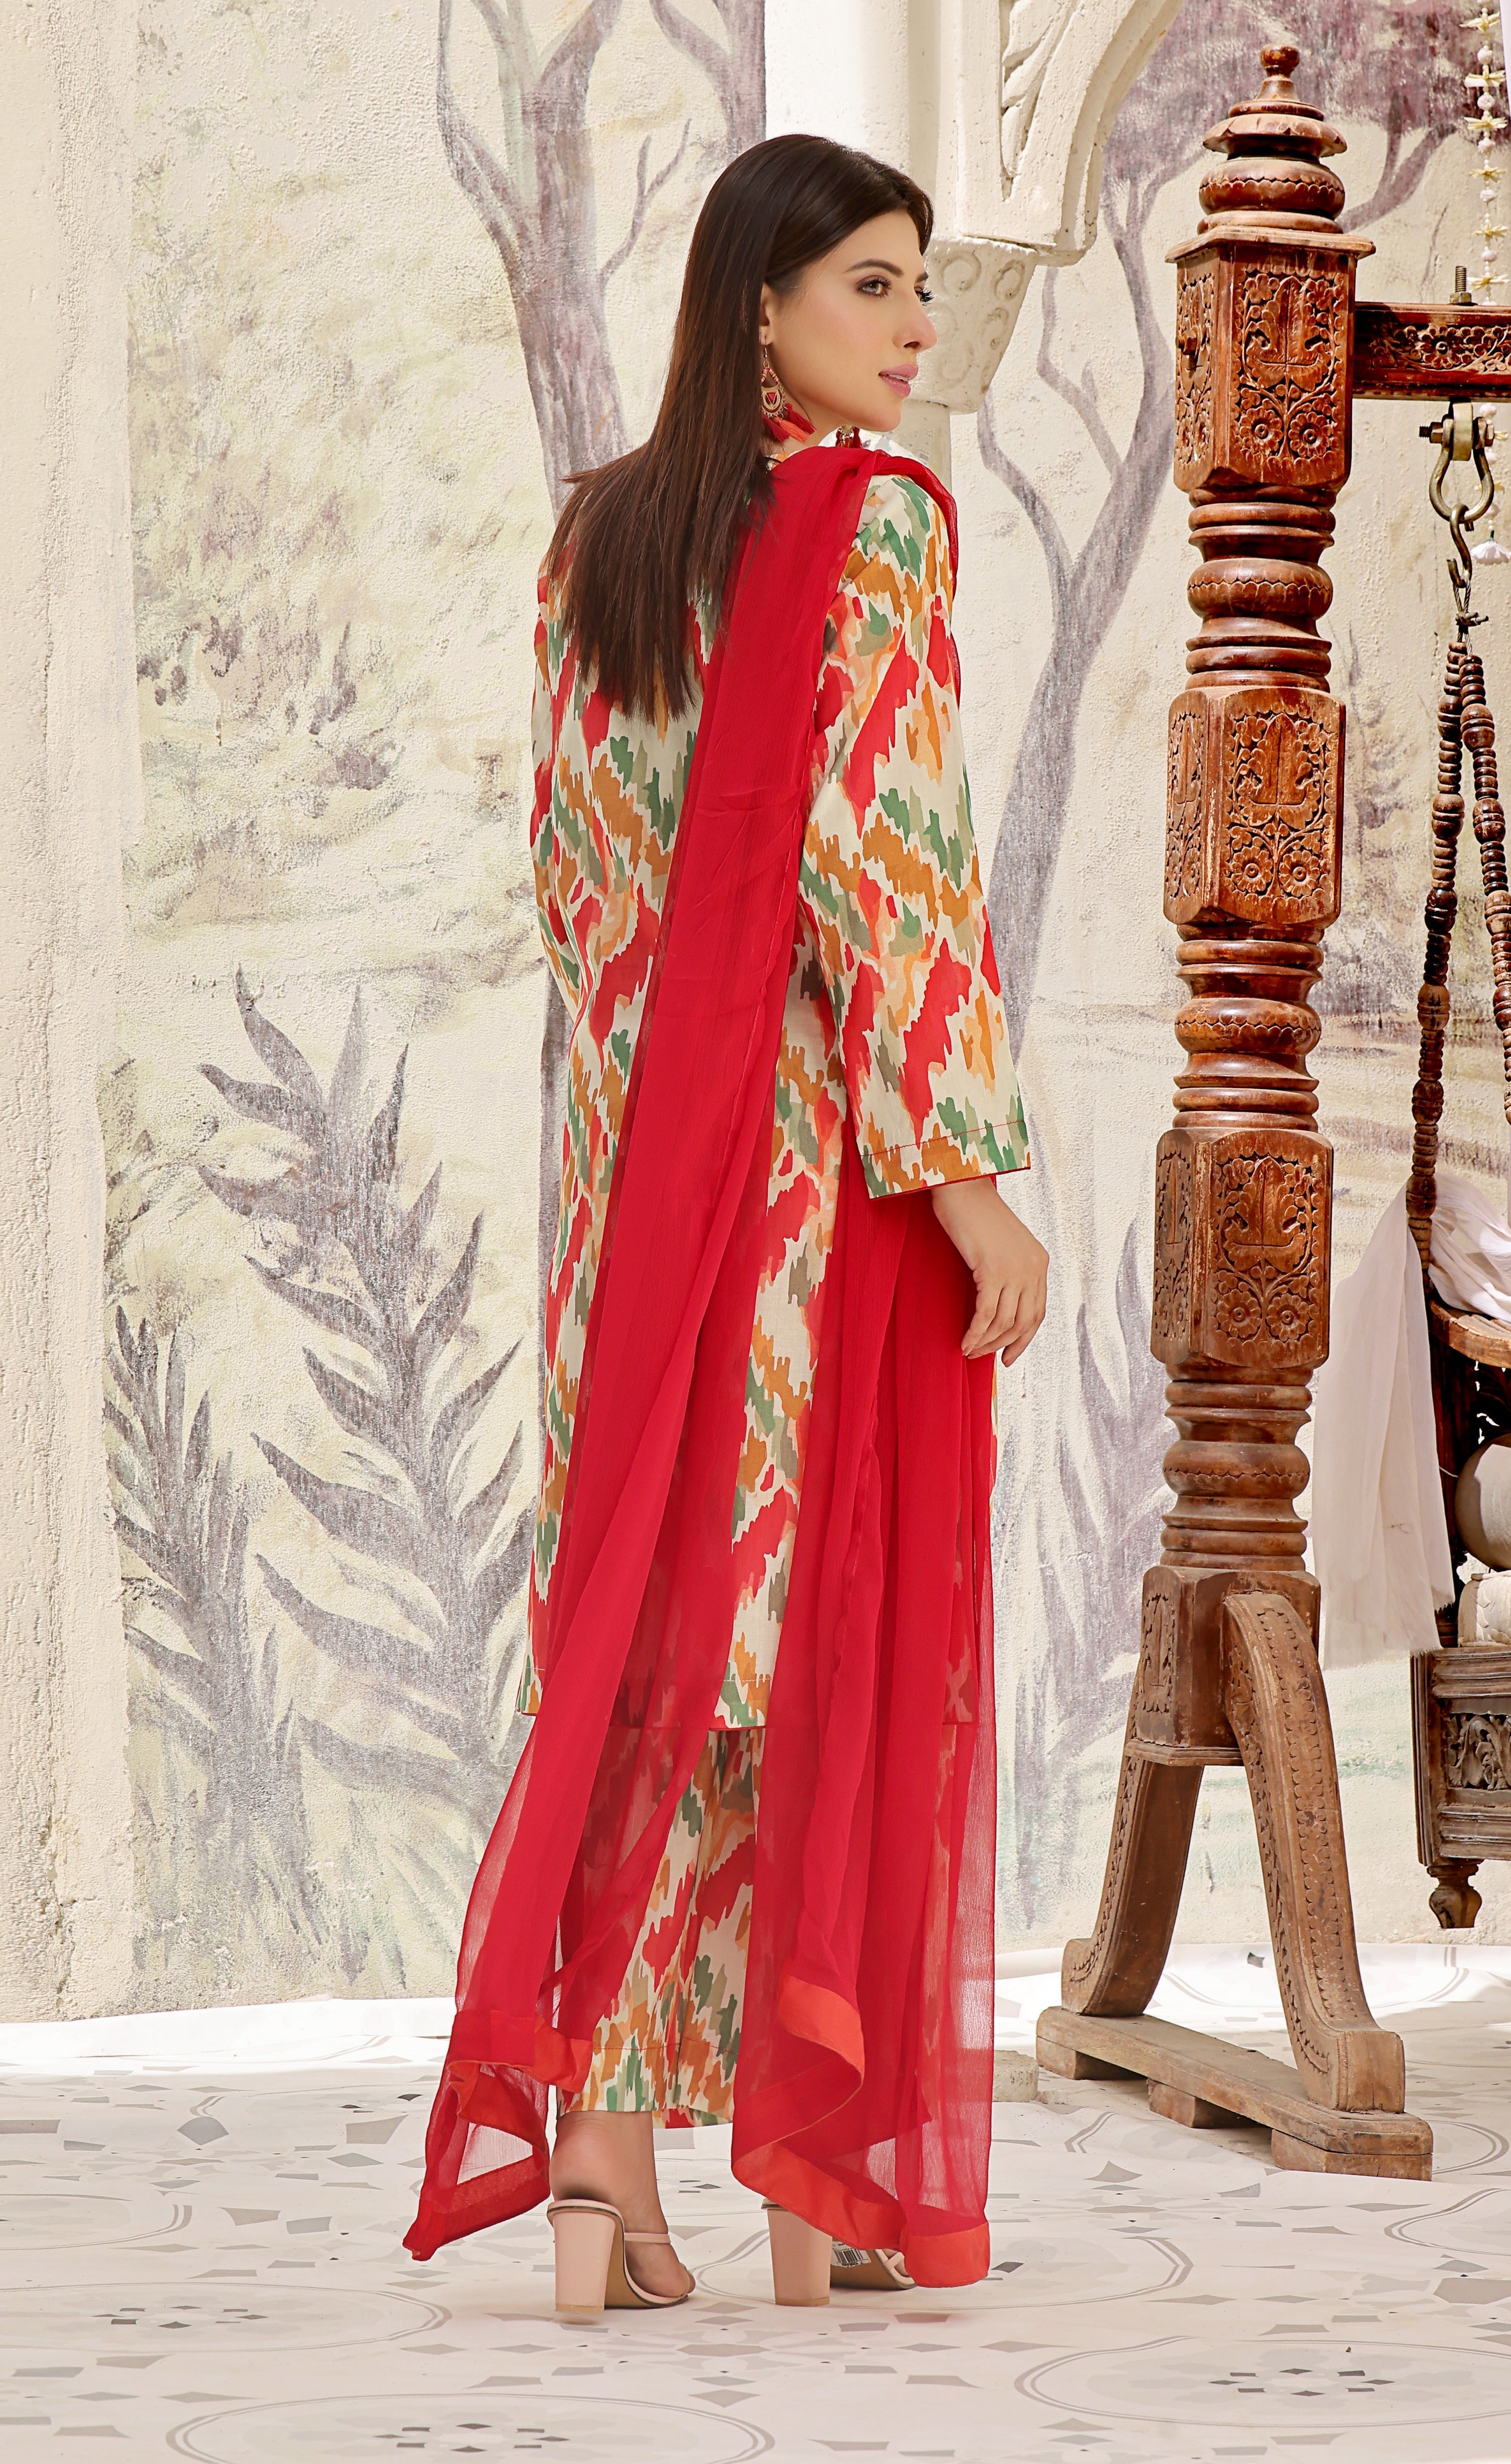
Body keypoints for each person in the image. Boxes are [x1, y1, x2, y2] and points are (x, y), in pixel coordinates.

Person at [405, 133, 1046, 2317]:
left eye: (918, 286)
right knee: (822, 1640)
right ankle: (815, 2168)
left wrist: (638, 1133)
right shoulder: (873, 526)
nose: (914, 327)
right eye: (873, 284)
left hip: (635, 1193)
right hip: (816, 1187)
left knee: (656, 1643)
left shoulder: (600, 536)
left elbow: (578, 880)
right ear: (759, 307)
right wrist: (963, 1177)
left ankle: (604, 2169)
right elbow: (890, 859)